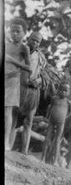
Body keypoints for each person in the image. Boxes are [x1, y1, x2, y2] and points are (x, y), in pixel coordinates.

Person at [18, 31, 48, 155]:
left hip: (33, 91)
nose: (34, 43)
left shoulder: (41, 57)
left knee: (28, 121)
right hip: (18, 88)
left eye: (37, 42)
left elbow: (45, 75)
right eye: (33, 40)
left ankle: (24, 151)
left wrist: (39, 81)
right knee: (13, 118)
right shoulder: (19, 51)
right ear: (28, 38)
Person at [4, 17, 31, 151]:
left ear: (24, 33)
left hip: (13, 80)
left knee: (7, 112)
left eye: (18, 31)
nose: (14, 34)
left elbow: (29, 68)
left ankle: (6, 143)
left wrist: (12, 61)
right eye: (12, 31)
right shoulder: (6, 45)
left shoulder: (24, 48)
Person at [41, 80, 71, 165]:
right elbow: (50, 107)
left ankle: (55, 161)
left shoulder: (68, 102)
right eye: (61, 90)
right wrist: (47, 116)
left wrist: (64, 117)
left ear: (69, 92)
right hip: (51, 120)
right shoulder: (54, 98)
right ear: (58, 90)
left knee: (58, 140)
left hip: (61, 122)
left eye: (65, 91)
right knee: (47, 138)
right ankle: (43, 158)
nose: (63, 92)